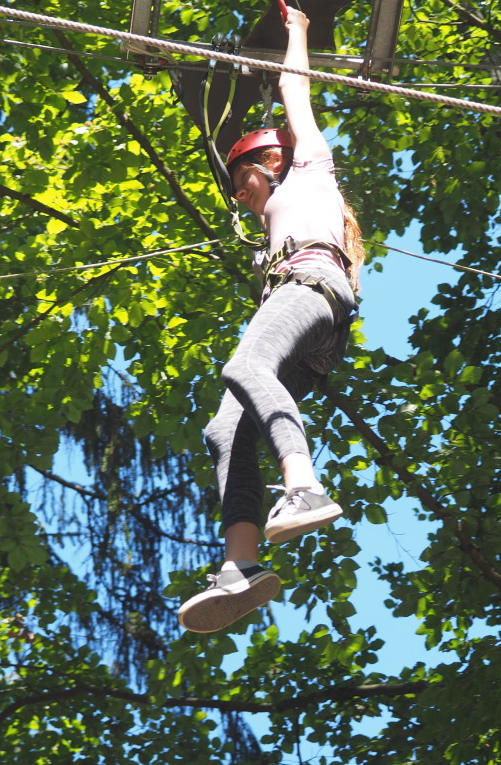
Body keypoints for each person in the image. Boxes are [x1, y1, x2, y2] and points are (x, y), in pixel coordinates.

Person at [178, 6, 365, 634]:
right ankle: (241, 566)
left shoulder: (309, 170)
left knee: (246, 364)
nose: (238, 194)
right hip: (306, 316)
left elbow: (294, 89)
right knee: (225, 428)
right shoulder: (270, 237)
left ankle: (304, 486)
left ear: (272, 162)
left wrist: (298, 31)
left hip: (314, 289)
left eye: (242, 179)